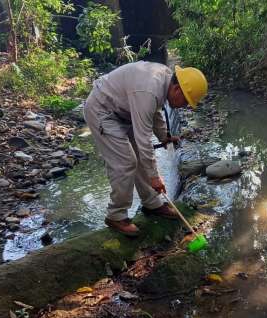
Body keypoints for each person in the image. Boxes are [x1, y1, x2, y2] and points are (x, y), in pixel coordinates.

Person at [83, 62, 208, 237]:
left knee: (139, 159)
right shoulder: (148, 89)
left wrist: (164, 136)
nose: (185, 106)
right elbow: (144, 139)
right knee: (126, 162)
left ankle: (152, 203)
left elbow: (154, 111)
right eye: (186, 101)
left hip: (124, 113)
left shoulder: (163, 81)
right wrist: (154, 177)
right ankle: (116, 215)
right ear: (177, 89)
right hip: (102, 111)